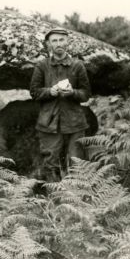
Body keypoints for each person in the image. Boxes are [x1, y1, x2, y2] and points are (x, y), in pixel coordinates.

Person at [30, 28, 91, 182]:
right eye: (54, 41)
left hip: (75, 123)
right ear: (48, 44)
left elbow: (86, 94)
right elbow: (34, 92)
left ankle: (77, 200)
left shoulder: (78, 66)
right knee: (50, 163)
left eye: (61, 40)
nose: (58, 44)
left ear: (67, 41)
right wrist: (51, 91)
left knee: (77, 163)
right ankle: (55, 199)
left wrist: (72, 93)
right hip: (48, 123)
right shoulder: (42, 66)